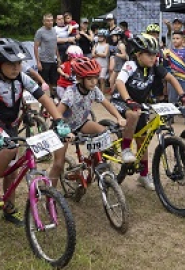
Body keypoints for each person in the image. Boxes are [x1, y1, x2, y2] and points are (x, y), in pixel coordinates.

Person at [0, 38, 70, 226]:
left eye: (18, 63)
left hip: (10, 125)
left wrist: (59, 120)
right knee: (10, 150)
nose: (16, 68)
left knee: (12, 170)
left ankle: (9, 207)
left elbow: (44, 99)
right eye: (11, 64)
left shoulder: (22, 78)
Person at [111, 33, 185, 190]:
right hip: (121, 101)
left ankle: (144, 175)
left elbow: (172, 79)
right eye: (149, 55)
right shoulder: (130, 65)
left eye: (155, 54)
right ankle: (125, 148)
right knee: (133, 114)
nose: (153, 58)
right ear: (138, 55)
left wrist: (183, 96)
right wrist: (128, 101)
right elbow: (119, 82)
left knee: (143, 141)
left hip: (139, 104)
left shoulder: (155, 68)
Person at [48, 57, 126, 185]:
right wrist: (65, 131)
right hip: (63, 127)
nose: (94, 82)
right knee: (58, 164)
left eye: (95, 77)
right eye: (89, 79)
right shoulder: (71, 92)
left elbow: (107, 104)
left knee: (103, 132)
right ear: (80, 78)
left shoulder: (94, 90)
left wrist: (119, 117)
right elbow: (58, 113)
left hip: (81, 123)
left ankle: (94, 163)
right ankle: (49, 197)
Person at [163, 31, 185, 104]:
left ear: (183, 40)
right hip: (172, 79)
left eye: (177, 38)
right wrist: (165, 59)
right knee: (172, 100)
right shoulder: (168, 52)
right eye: (173, 38)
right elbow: (165, 66)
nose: (175, 40)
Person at [34, 13, 61, 96]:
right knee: (44, 81)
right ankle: (43, 98)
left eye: (51, 20)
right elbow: (35, 47)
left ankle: (53, 97)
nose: (50, 22)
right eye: (48, 21)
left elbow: (55, 44)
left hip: (53, 59)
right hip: (44, 60)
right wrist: (38, 62)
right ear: (44, 22)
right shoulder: (40, 32)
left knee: (54, 81)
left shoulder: (53, 30)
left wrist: (58, 57)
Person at [107, 27, 128, 94]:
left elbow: (124, 56)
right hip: (117, 66)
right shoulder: (118, 44)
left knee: (117, 82)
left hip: (121, 66)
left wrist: (116, 54)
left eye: (114, 36)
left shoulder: (121, 45)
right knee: (111, 80)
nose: (113, 38)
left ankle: (115, 94)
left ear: (119, 36)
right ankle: (114, 92)